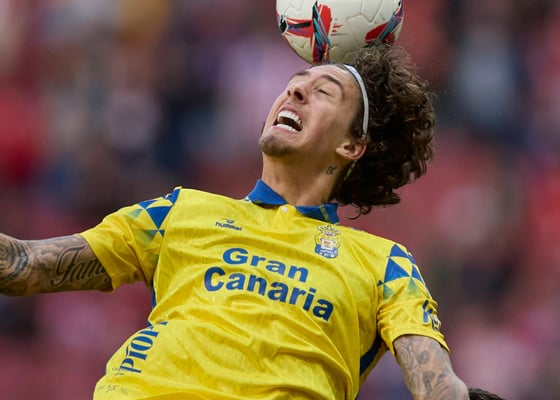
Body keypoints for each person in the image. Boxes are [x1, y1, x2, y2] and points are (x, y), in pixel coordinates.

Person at [0, 42, 469, 399]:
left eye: (323, 92)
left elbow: (437, 384)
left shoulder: (383, 264)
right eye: (294, 83)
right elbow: (22, 265)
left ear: (351, 145)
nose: (295, 90)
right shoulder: (180, 212)